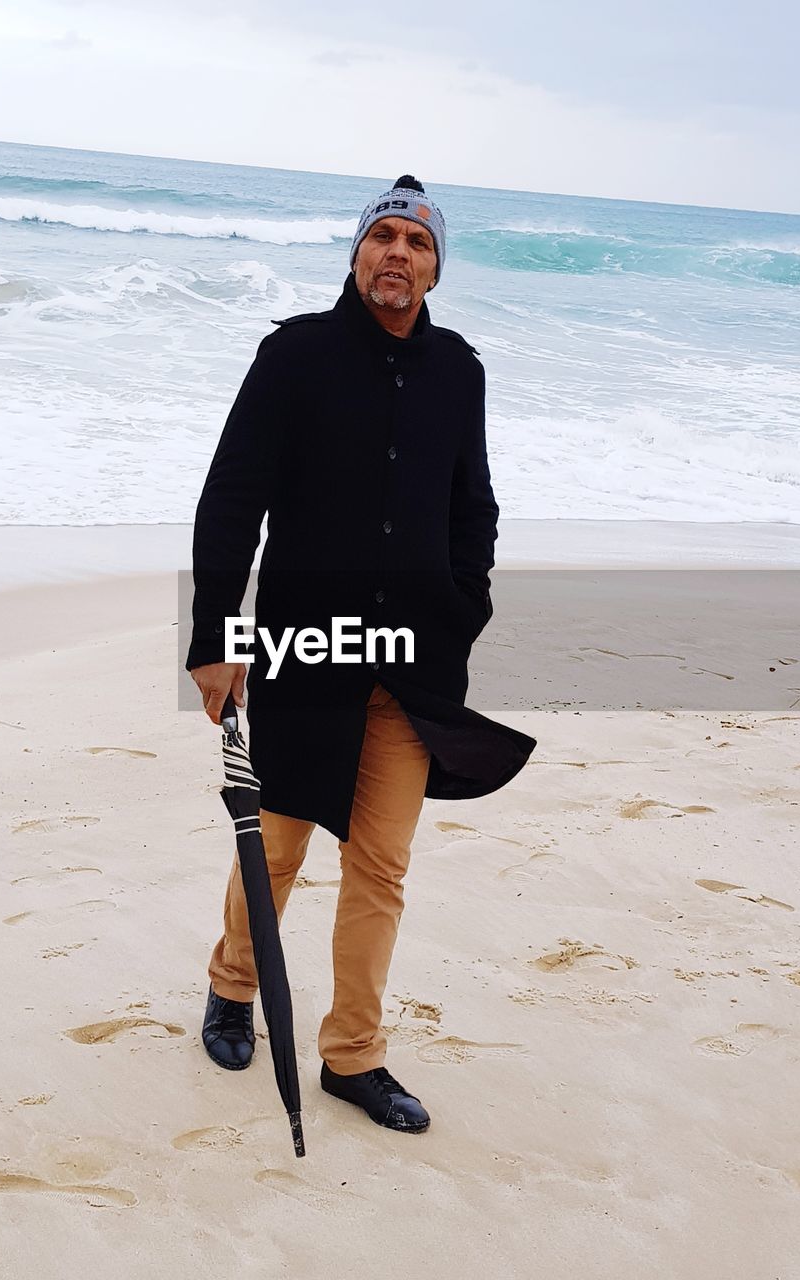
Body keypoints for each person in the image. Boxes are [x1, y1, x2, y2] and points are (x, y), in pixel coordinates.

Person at [185, 175, 535, 1134]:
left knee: (380, 866)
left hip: (417, 665)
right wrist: (216, 634)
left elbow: (475, 505)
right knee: (284, 846)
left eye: (416, 243)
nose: (397, 254)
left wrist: (468, 603)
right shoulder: (295, 356)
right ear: (354, 254)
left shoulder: (458, 370)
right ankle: (232, 986)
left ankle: (353, 1056)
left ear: (435, 268)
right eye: (382, 236)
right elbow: (233, 498)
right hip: (308, 651)